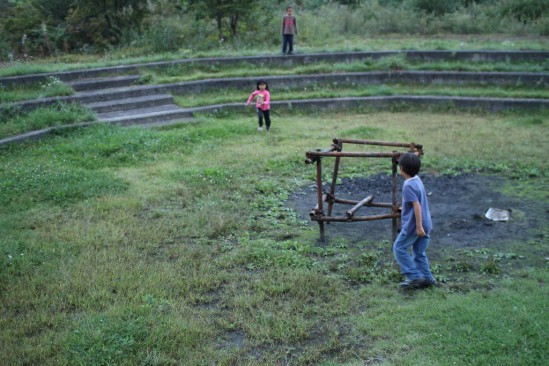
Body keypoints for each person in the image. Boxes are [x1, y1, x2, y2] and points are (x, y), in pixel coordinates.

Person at [393, 152, 436, 290]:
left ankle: (414, 277)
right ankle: (428, 279)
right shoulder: (417, 180)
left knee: (399, 248)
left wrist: (418, 227)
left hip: (415, 226)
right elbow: (415, 202)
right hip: (426, 222)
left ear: (402, 169)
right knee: (419, 252)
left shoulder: (407, 185)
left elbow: (416, 205)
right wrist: (404, 207)